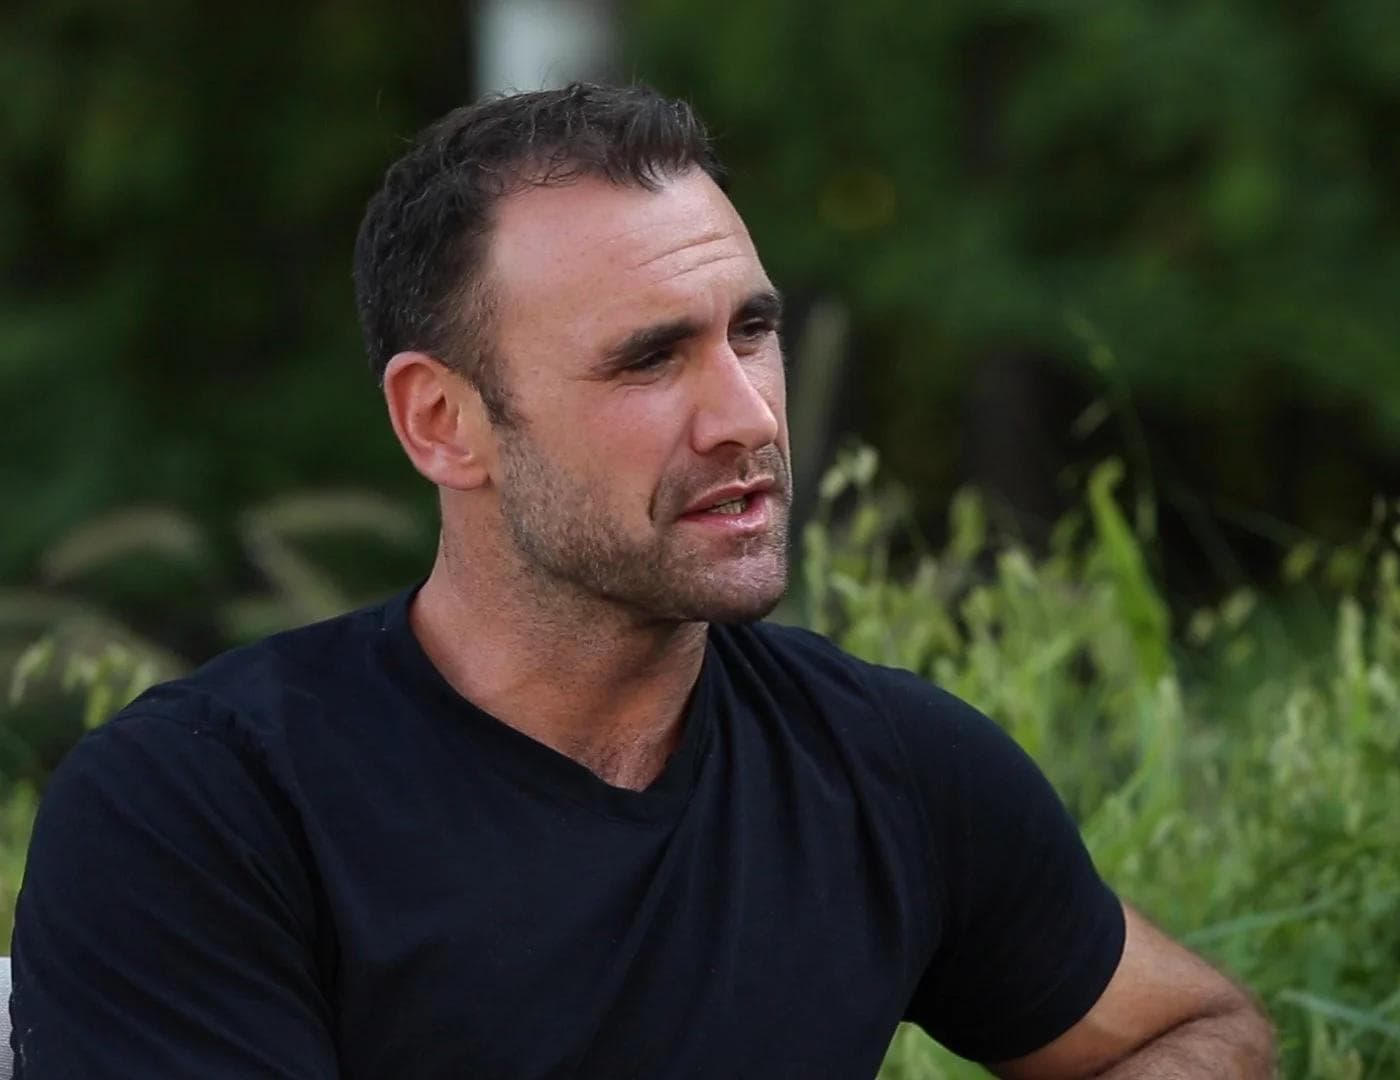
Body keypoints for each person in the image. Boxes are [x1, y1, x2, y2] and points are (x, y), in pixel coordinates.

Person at [9, 83, 1273, 1077]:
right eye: (649, 358)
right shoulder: (201, 812)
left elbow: (1198, 1033)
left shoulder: (886, 767)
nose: (746, 416)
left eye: (754, 330)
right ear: (443, 421)